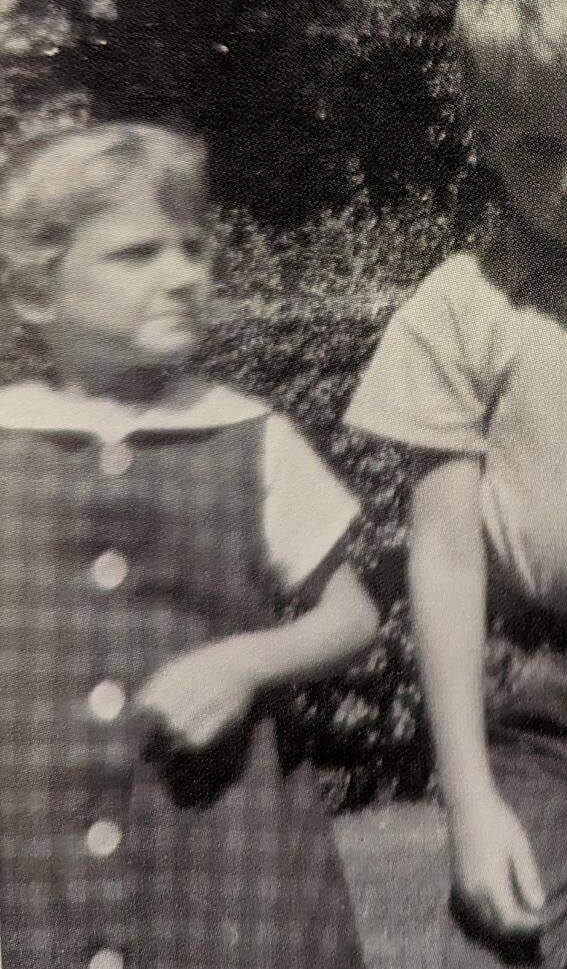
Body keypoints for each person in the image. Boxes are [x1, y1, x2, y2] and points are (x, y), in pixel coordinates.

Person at [345, 0, 567, 967]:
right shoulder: (458, 312)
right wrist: (469, 799)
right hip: (538, 704)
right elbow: (443, 558)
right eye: (538, 147)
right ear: (484, 133)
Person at [0, 123, 378, 969]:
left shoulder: (248, 436)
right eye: (137, 255)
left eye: (192, 248)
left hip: (215, 824)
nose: (181, 276)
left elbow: (353, 615)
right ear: (36, 291)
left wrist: (244, 661)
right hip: (32, 839)